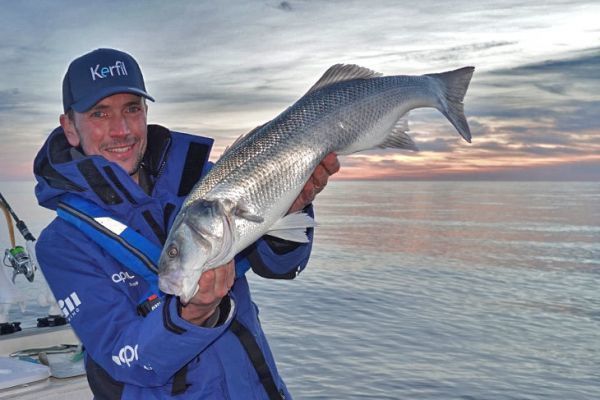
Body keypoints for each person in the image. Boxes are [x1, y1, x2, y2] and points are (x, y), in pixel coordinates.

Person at [33, 48, 339, 400]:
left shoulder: (203, 185)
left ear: (146, 112)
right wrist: (192, 315)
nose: (121, 130)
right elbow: (125, 359)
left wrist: (289, 207)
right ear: (69, 127)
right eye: (99, 113)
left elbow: (282, 266)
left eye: (132, 109)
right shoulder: (62, 245)